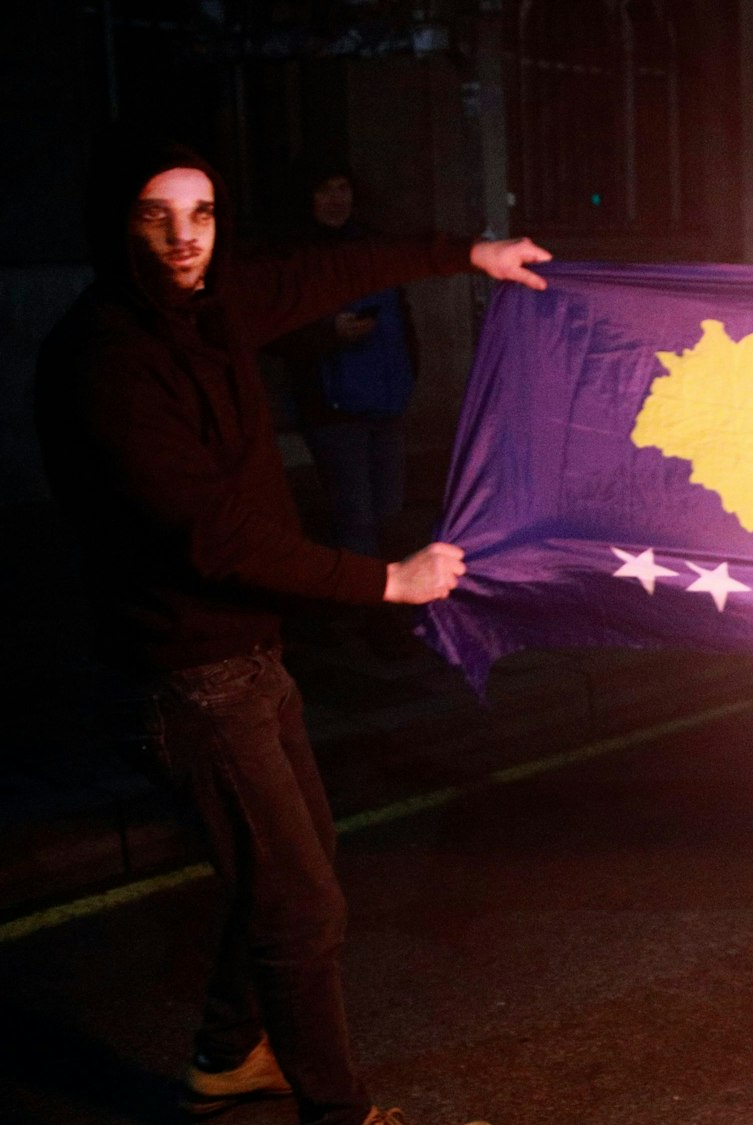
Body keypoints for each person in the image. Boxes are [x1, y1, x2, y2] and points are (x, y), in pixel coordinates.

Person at [33, 124, 550, 1125]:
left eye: (203, 213)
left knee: (278, 878)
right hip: (187, 673)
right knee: (301, 904)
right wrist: (382, 582)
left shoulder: (211, 303)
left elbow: (330, 268)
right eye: (156, 216)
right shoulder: (104, 362)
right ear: (117, 224)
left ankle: (228, 1055)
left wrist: (465, 255)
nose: (186, 238)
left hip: (250, 653)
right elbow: (214, 539)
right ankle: (339, 1113)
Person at [269, 161, 422, 561]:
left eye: (342, 188)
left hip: (385, 401)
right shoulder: (294, 256)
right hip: (332, 408)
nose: (336, 200)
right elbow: (277, 330)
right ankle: (362, 610)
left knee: (390, 515)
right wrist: (328, 333)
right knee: (355, 518)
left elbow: (401, 318)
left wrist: (406, 380)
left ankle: (391, 608)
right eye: (325, 190)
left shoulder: (370, 246)